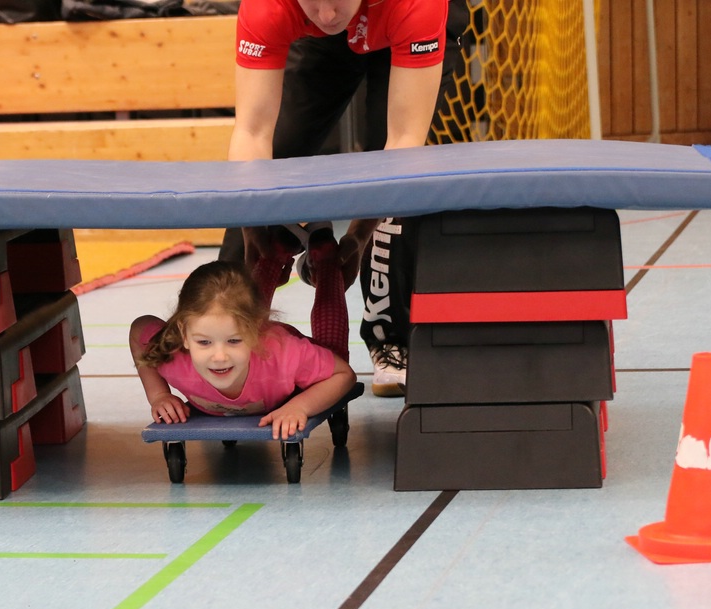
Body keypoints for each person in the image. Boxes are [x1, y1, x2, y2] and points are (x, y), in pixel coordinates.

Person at [224, 0, 471, 397]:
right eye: (313, 1)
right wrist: (252, 228)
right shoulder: (269, 6)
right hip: (324, 45)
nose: (326, 14)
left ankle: (391, 340)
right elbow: (252, 133)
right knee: (274, 156)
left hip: (404, 19)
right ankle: (223, 320)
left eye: (336, 0)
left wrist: (359, 235)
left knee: (395, 177)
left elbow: (402, 145)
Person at [130, 260, 357, 440]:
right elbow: (139, 327)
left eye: (234, 341)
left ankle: (327, 263)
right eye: (204, 342)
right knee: (246, 303)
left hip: (290, 359)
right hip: (249, 329)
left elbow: (343, 374)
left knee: (334, 352)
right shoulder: (172, 355)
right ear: (184, 334)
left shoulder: (285, 355)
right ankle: (273, 254)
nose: (219, 357)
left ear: (255, 333)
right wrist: (159, 395)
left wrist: (300, 406)